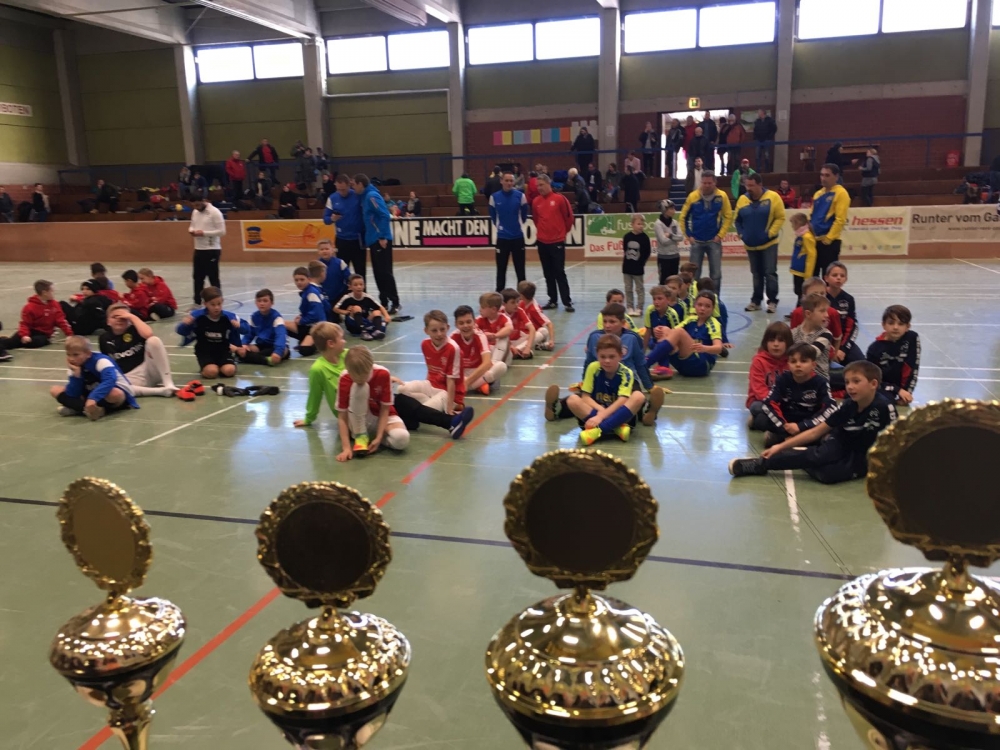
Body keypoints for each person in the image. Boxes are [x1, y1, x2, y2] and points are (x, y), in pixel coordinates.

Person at [293, 321, 476, 439]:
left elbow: (368, 365)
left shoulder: (347, 354)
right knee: (404, 409)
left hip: (373, 403)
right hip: (354, 415)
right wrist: (308, 418)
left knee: (403, 401)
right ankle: (441, 421)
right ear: (331, 344)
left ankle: (450, 422)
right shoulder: (318, 369)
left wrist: (385, 376)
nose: (344, 341)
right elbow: (314, 396)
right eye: (341, 338)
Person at [729, 360, 897, 484]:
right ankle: (761, 464)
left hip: (864, 453)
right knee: (821, 455)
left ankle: (806, 456)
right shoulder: (848, 406)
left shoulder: (885, 407)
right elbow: (817, 431)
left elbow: (897, 443)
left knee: (828, 475)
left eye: (856, 381)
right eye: (847, 382)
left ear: (873, 384)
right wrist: (779, 447)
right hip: (841, 441)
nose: (850, 387)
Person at [548, 334, 648, 445]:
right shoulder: (593, 368)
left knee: (638, 396)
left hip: (618, 415)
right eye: (602, 357)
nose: (607, 361)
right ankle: (617, 428)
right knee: (572, 399)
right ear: (597, 355)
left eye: (612, 357)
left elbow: (622, 400)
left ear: (620, 356)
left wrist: (601, 416)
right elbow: (585, 397)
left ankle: (598, 430)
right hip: (594, 415)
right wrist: (600, 411)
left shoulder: (626, 373)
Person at [755, 342, 837, 446]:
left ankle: (791, 440)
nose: (798, 365)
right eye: (793, 361)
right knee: (761, 420)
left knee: (831, 427)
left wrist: (802, 426)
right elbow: (769, 402)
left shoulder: (821, 382)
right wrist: (784, 425)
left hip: (809, 423)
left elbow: (830, 407)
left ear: (813, 365)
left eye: (803, 361)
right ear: (788, 364)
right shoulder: (782, 379)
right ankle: (791, 438)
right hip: (787, 422)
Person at [336, 346, 409, 460]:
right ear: (348, 370)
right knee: (360, 387)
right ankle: (361, 437)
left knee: (402, 439)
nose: (360, 379)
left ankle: (371, 440)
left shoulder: (383, 373)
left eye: (364, 376)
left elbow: (385, 409)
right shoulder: (344, 378)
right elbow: (342, 415)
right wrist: (346, 448)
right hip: (358, 421)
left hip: (380, 417)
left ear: (371, 367)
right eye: (354, 376)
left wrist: (379, 438)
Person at [51, 336, 138, 420]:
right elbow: (73, 394)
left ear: (88, 354)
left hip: (115, 394)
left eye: (76, 355)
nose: (71, 359)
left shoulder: (101, 361)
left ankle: (83, 409)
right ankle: (92, 411)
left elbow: (110, 380)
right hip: (91, 392)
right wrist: (76, 375)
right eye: (68, 355)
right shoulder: (75, 366)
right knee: (55, 390)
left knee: (115, 394)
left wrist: (93, 398)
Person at [100, 305, 179, 397]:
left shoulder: (135, 329)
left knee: (154, 340)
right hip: (132, 378)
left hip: (149, 370)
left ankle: (168, 383)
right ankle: (161, 391)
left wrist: (131, 317)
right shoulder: (104, 338)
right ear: (108, 321)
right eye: (115, 317)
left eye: (123, 317)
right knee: (115, 387)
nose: (119, 320)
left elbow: (149, 334)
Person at [735, 173, 785, 314]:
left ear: (760, 184)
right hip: (750, 245)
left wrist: (770, 233)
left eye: (751, 185)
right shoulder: (742, 199)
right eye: (747, 185)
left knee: (770, 272)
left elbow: (780, 217)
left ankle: (772, 301)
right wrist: (741, 234)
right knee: (756, 274)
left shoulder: (773, 197)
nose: (748, 188)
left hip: (769, 244)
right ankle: (756, 301)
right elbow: (737, 220)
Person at [399, 310, 464, 414]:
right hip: (431, 386)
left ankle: (452, 406)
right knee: (402, 389)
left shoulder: (453, 348)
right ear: (426, 331)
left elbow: (451, 381)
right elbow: (430, 370)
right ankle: (433, 405)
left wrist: (449, 409)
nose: (439, 334)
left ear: (447, 327)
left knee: (421, 412)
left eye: (442, 329)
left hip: (447, 393)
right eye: (434, 330)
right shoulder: (425, 344)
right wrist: (425, 388)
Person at [645, 291, 723, 378]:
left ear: (713, 308)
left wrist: (704, 348)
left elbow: (719, 348)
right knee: (664, 330)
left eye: (707, 306)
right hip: (684, 364)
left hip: (701, 365)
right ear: (695, 305)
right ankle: (664, 368)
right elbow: (672, 332)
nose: (702, 308)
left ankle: (645, 362)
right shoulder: (691, 319)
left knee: (679, 332)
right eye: (699, 305)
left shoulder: (713, 323)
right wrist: (659, 330)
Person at [352, 174, 399, 315]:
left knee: (385, 272)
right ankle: (383, 301)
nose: (353, 188)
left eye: (354, 185)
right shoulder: (364, 197)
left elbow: (384, 214)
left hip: (380, 239)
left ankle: (395, 302)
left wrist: (383, 236)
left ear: (360, 184)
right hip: (373, 240)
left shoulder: (372, 196)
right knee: (378, 272)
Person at [680, 171, 732, 296]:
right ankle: (693, 299)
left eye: (709, 183)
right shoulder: (693, 196)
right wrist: (689, 236)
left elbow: (728, 216)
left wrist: (720, 235)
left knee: (716, 274)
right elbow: (683, 217)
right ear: (701, 182)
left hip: (714, 241)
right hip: (696, 242)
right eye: (704, 183)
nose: (707, 185)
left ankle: (715, 299)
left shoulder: (722, 196)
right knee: (693, 275)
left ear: (715, 182)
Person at [176, 286, 241, 380]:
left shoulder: (229, 316)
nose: (216, 307)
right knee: (212, 372)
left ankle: (222, 366)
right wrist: (185, 324)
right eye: (212, 304)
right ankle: (207, 368)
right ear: (205, 304)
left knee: (229, 371)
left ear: (222, 301)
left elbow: (245, 330)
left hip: (223, 351)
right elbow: (180, 331)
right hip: (205, 351)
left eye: (219, 304)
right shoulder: (197, 316)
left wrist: (238, 326)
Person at [531, 174, 575, 312]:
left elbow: (569, 218)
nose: (539, 188)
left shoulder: (560, 199)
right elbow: (536, 219)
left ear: (548, 184)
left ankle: (567, 301)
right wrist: (543, 233)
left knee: (559, 272)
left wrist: (561, 233)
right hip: (542, 242)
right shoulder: (536, 201)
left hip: (557, 242)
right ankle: (552, 300)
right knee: (547, 273)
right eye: (537, 186)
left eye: (541, 185)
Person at [866, 305, 920, 406]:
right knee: (884, 401)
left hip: (898, 390)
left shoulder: (912, 338)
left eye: (901, 324)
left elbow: (913, 366)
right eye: (891, 323)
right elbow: (871, 380)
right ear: (883, 325)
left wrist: (907, 392)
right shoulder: (874, 349)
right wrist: (897, 390)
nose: (895, 327)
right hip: (882, 387)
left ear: (908, 326)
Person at [0, 280, 73, 351]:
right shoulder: (29, 307)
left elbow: (61, 320)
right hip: (30, 330)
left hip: (43, 334)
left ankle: (24, 342)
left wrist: (69, 334)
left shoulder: (55, 305)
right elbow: (25, 324)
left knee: (38, 341)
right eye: (51, 291)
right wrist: (24, 335)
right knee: (11, 343)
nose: (54, 293)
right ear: (44, 293)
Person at [488, 172, 530, 292]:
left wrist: (516, 226)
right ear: (501, 181)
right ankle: (499, 294)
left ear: (514, 182)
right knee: (501, 269)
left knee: (520, 269)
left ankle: (523, 294)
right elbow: (493, 216)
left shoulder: (520, 196)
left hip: (518, 238)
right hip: (502, 239)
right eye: (506, 180)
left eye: (511, 181)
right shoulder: (494, 197)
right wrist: (501, 228)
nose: (509, 183)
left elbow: (524, 214)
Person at [746, 321, 792, 431]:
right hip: (763, 401)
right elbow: (759, 390)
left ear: (788, 343)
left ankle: (763, 421)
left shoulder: (791, 361)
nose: (776, 344)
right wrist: (775, 404)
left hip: (785, 402)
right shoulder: (759, 361)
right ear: (765, 342)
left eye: (781, 340)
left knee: (761, 420)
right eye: (771, 340)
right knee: (756, 407)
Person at [453, 304, 506, 395]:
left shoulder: (480, 336)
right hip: (462, 373)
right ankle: (479, 384)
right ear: (456, 324)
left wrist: (466, 383)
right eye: (461, 323)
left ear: (474, 322)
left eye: (468, 322)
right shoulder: (453, 337)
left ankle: (465, 387)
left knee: (501, 366)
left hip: (478, 371)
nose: (465, 326)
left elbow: (486, 363)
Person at [811, 163, 851, 274]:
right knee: (812, 277)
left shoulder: (841, 193)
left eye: (827, 175)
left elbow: (840, 219)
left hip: (829, 243)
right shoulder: (818, 194)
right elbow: (812, 216)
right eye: (822, 175)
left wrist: (828, 239)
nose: (823, 178)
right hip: (814, 241)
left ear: (836, 176)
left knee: (828, 277)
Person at [324, 174, 365, 279]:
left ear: (349, 185)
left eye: (343, 189)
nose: (341, 192)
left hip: (358, 240)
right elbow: (326, 219)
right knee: (342, 272)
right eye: (339, 189)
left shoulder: (357, 196)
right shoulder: (332, 198)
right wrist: (332, 219)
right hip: (341, 240)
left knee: (360, 271)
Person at [234, 289, 288, 366]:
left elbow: (280, 336)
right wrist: (244, 344)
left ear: (272, 303)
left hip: (275, 346)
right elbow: (248, 334)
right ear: (256, 303)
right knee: (240, 351)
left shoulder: (277, 318)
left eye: (265, 301)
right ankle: (266, 360)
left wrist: (278, 352)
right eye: (259, 301)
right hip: (261, 346)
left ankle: (255, 358)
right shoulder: (254, 317)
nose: (262, 303)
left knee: (278, 352)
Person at [286, 262, 330, 356]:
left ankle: (319, 343)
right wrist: (301, 316)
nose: (299, 282)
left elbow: (317, 315)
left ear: (309, 279)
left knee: (304, 350)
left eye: (302, 279)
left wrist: (301, 320)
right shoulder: (309, 291)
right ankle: (285, 345)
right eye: (296, 280)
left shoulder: (311, 293)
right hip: (309, 325)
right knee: (281, 324)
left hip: (317, 328)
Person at [189, 196, 226, 305]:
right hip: (198, 248)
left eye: (198, 205)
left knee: (213, 277)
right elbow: (192, 225)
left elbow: (222, 231)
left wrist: (204, 233)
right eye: (194, 205)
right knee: (197, 277)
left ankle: (217, 300)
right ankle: (197, 301)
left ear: (204, 201)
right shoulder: (195, 212)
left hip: (212, 249)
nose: (196, 207)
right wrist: (191, 231)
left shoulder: (215, 212)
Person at [825, 262, 862, 366]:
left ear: (846, 279)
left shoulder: (848, 299)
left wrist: (843, 349)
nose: (838, 278)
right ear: (826, 278)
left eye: (842, 276)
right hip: (823, 341)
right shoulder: (820, 297)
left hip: (842, 342)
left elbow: (852, 326)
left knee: (861, 364)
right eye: (834, 275)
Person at [792, 294, 835, 381]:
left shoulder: (826, 334)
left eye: (826, 311)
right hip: (796, 378)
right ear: (808, 314)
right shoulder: (793, 333)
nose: (827, 315)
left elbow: (810, 354)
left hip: (819, 379)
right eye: (822, 311)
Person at [642, 285, 681, 380]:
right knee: (648, 342)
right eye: (654, 299)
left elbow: (676, 336)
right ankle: (660, 367)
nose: (656, 302)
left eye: (659, 299)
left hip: (668, 345)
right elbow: (648, 332)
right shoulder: (650, 310)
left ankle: (652, 365)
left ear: (668, 300)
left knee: (662, 346)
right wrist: (642, 352)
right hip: (654, 341)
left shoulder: (672, 314)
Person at [334, 274, 389, 340]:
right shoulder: (347, 297)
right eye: (355, 285)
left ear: (364, 286)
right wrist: (346, 312)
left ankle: (377, 331)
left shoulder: (367, 297)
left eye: (361, 284)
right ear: (350, 287)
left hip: (365, 320)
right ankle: (363, 331)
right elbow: (335, 309)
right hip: (353, 323)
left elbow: (380, 307)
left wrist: (386, 316)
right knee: (357, 308)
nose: (359, 287)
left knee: (377, 312)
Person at [476, 291, 513, 382]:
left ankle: (493, 364)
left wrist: (494, 336)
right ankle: (488, 374)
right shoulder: (479, 319)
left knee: (504, 338)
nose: (479, 309)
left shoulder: (503, 318)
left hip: (503, 355)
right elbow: (473, 330)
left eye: (482, 307)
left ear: (493, 309)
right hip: (488, 353)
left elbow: (509, 328)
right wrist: (483, 335)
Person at [621, 214, 651, 316]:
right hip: (627, 268)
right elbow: (625, 249)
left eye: (642, 224)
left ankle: (639, 307)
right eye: (638, 224)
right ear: (632, 224)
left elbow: (647, 252)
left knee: (639, 289)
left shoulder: (645, 238)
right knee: (628, 288)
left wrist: (641, 263)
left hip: (638, 268)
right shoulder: (627, 237)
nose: (641, 226)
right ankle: (630, 307)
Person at [316, 239, 351, 321]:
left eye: (327, 249)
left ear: (332, 250)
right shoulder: (316, 265)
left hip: (340, 295)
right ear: (318, 252)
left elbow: (348, 278)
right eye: (322, 249)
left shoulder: (340, 263)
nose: (324, 251)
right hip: (325, 297)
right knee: (331, 320)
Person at [518, 281, 555, 352]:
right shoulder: (520, 303)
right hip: (521, 333)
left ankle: (520, 348)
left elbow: (549, 324)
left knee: (543, 331)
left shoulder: (534, 309)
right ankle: (535, 346)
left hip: (530, 334)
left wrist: (551, 340)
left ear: (521, 295)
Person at [789, 213, 817, 305]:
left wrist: (808, 275)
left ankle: (801, 309)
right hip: (797, 270)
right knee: (798, 291)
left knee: (802, 292)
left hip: (802, 271)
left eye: (793, 224)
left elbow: (811, 255)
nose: (792, 226)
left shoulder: (807, 237)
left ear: (798, 223)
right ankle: (799, 308)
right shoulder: (800, 236)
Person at [654, 199, 683, 284]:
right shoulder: (658, 224)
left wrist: (670, 236)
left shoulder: (675, 223)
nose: (674, 210)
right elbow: (663, 241)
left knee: (674, 281)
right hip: (664, 257)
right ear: (664, 210)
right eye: (671, 208)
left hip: (675, 256)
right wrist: (675, 239)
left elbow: (681, 237)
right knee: (664, 281)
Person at [502, 288, 536, 360]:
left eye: (518, 301)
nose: (516, 305)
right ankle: (518, 351)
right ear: (504, 304)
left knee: (540, 333)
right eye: (513, 302)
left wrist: (528, 347)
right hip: (506, 343)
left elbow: (532, 329)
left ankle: (517, 351)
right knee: (500, 342)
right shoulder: (500, 313)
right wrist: (510, 346)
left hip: (518, 341)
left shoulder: (519, 310)